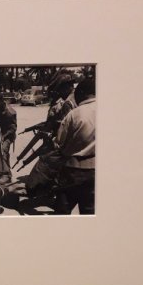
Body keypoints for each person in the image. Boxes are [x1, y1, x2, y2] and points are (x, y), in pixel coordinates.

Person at [53, 77, 96, 214]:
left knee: (62, 211)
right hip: (95, 170)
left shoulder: (75, 114)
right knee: (89, 211)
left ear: (82, 93)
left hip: (73, 170)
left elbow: (59, 142)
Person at [0, 93, 17, 185]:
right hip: (1, 132)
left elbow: (13, 128)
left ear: (2, 101)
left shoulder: (10, 112)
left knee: (3, 150)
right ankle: (2, 173)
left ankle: (6, 175)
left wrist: (4, 136)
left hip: (9, 133)